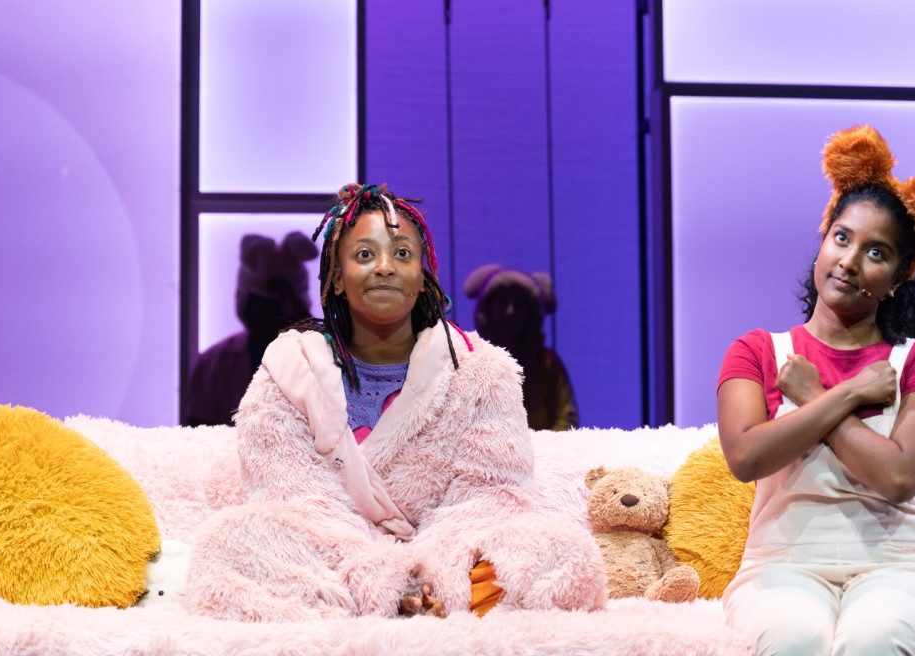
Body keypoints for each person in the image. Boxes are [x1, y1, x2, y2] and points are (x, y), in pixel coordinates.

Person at [184, 182, 606, 622]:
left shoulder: (483, 371)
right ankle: (400, 602)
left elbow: (490, 497)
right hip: (335, 555)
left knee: (563, 553)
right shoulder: (289, 371)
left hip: (446, 554)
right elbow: (296, 501)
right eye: (364, 255)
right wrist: (378, 574)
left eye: (402, 254)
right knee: (229, 544)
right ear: (336, 277)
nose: (384, 267)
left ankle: (404, 601)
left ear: (422, 276)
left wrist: (429, 570)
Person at [716, 126, 915, 656]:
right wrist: (844, 393)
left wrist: (811, 400)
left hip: (901, 567)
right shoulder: (757, 350)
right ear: (822, 240)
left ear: (901, 275)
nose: (850, 262)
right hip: (782, 566)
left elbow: (900, 476)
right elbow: (745, 457)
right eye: (841, 238)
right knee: (795, 646)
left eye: (876, 252)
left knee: (872, 643)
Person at [182, 231, 318, 426]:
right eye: (263, 304)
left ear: (299, 307)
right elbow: (194, 441)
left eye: (282, 305)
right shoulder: (214, 364)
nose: (272, 316)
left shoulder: (328, 363)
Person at [464, 264, 579, 430]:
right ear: (487, 309)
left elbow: (567, 417)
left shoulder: (546, 363)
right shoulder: (471, 363)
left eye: (519, 305)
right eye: (502, 303)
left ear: (530, 313)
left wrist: (548, 449)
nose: (510, 312)